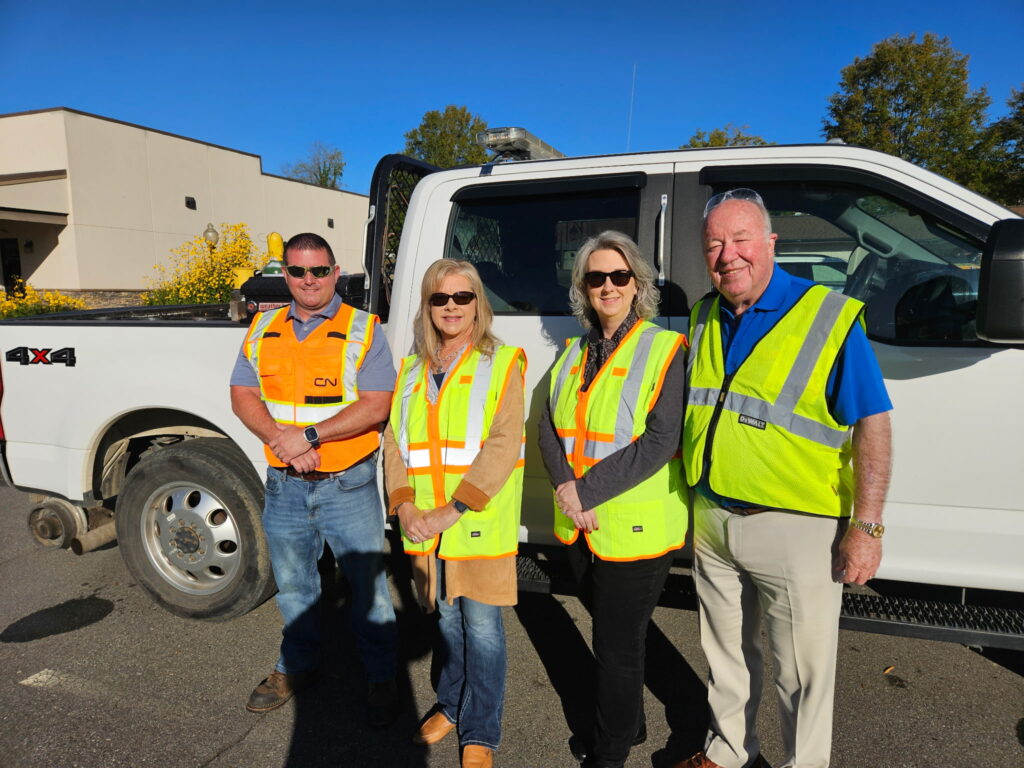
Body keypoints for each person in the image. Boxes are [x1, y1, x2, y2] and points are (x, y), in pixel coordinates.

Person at [674, 189, 893, 768]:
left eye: (741, 239)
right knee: (724, 655)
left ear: (771, 243)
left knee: (801, 672)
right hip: (712, 517)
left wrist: (866, 527)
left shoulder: (827, 316)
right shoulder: (704, 314)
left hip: (794, 529)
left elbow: (873, 424)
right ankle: (726, 753)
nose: (728, 255)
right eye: (715, 243)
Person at [229, 232, 399, 725]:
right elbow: (242, 394)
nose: (309, 280)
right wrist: (282, 441)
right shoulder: (262, 328)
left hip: (347, 482)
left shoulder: (364, 329)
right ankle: (297, 666)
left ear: (335, 272)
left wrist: (308, 435)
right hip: (284, 482)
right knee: (294, 586)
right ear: (285, 274)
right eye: (299, 271)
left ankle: (380, 674)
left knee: (368, 586)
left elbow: (377, 404)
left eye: (319, 271)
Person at [537, 231, 689, 768]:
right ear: (583, 287)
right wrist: (565, 489)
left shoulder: (664, 348)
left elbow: (660, 440)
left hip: (635, 527)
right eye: (595, 277)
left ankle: (610, 751)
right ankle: (632, 722)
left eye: (618, 276)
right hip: (581, 522)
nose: (607, 286)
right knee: (619, 638)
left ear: (637, 284)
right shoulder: (576, 351)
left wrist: (584, 490)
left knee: (616, 648)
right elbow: (548, 428)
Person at [382, 259, 525, 768]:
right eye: (439, 298)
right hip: (425, 528)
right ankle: (450, 703)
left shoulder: (502, 362)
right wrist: (402, 504)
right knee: (445, 622)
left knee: (482, 629)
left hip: (475, 523)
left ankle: (481, 729)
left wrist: (453, 508)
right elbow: (394, 443)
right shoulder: (413, 368)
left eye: (462, 297)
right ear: (427, 305)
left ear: (477, 303)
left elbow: (505, 443)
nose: (450, 307)